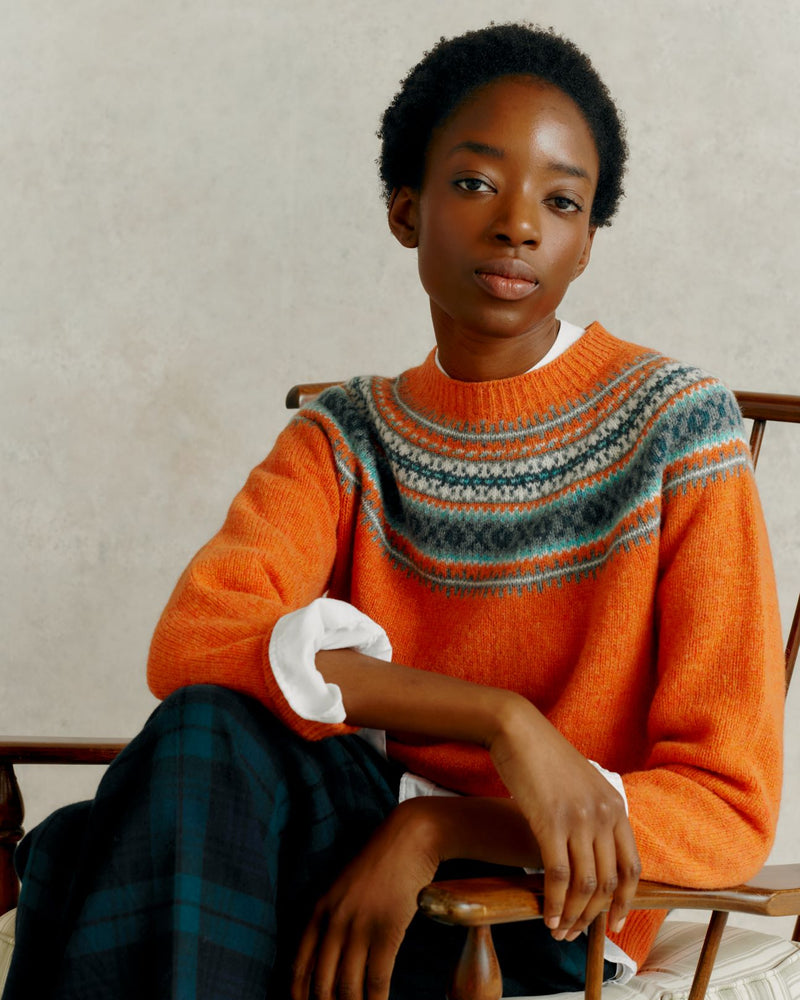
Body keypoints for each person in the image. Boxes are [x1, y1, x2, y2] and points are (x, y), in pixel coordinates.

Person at [3, 22, 784, 1000]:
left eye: (560, 201)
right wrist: (500, 720)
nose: (518, 225)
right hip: (348, 851)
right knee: (202, 733)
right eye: (475, 183)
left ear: (588, 241)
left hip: (536, 896)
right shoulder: (345, 436)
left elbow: (728, 805)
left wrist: (436, 827)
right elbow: (196, 641)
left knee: (91, 844)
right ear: (405, 210)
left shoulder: (676, 428)